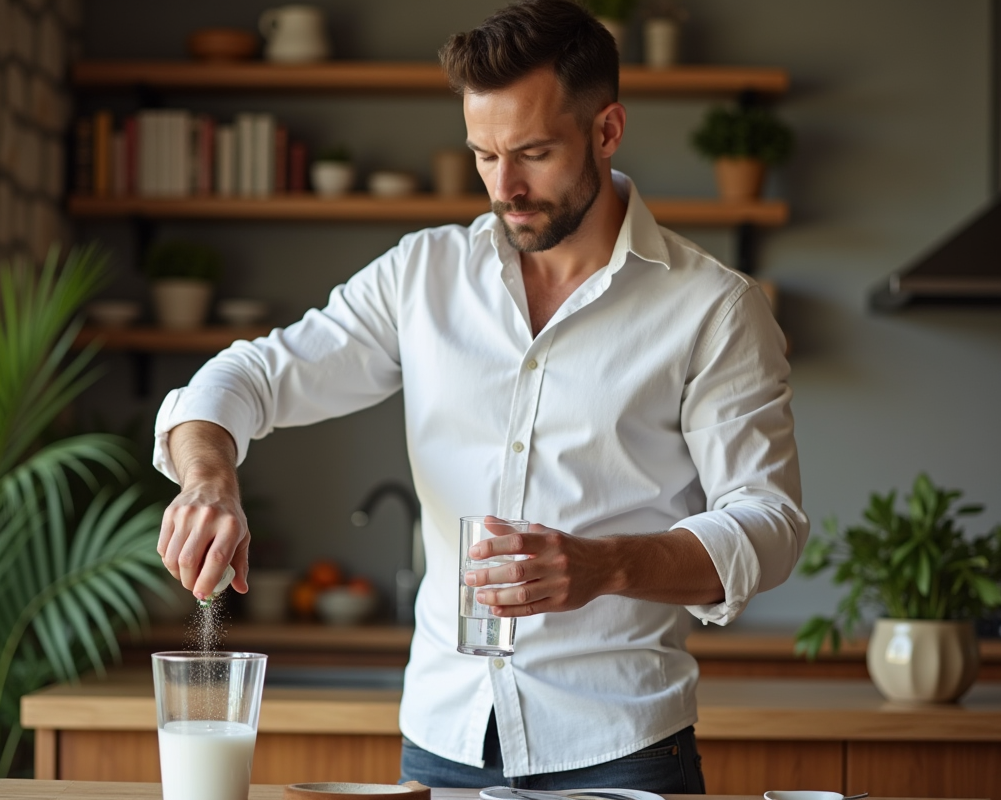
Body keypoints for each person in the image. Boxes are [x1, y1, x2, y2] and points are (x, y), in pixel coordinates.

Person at [153, 0, 808, 792]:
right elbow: (247, 376)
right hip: (441, 743)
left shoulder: (714, 307)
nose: (507, 187)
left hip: (620, 744)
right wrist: (208, 479)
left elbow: (768, 523)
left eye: (533, 152)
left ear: (607, 130)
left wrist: (605, 567)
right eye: (484, 155)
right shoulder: (421, 276)